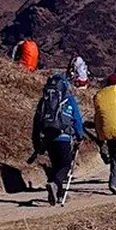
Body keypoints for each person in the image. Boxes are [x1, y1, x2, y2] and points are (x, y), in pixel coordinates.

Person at [32, 71, 84, 206]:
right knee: (66, 164)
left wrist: (37, 141)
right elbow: (77, 119)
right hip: (63, 136)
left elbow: (37, 120)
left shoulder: (44, 100)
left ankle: (59, 194)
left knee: (56, 165)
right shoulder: (69, 98)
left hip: (48, 137)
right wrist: (80, 135)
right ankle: (55, 184)